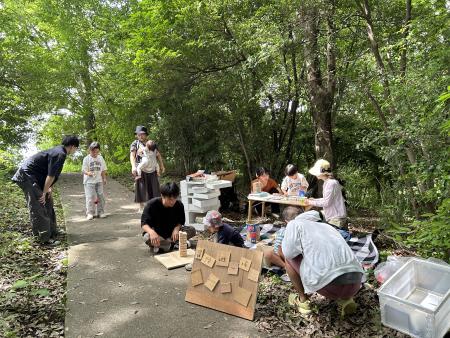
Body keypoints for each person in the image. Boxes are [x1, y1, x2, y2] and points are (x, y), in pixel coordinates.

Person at [282, 210, 364, 316]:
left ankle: (303, 300)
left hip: (329, 285)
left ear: (286, 221)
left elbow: (288, 253)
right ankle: (347, 300)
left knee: (288, 258)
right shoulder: (327, 226)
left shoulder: (294, 224)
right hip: (355, 282)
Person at [12, 135, 79, 245]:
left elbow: (50, 172)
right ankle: (43, 238)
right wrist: (43, 192)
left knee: (48, 200)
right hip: (27, 176)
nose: (76, 150)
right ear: (72, 146)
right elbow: (51, 175)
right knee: (39, 203)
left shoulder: (59, 152)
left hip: (36, 177)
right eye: (76, 148)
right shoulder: (60, 154)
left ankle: (52, 231)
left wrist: (48, 189)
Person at [141, 182, 195, 253]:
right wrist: (151, 232)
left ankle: (166, 246)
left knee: (192, 230)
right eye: (169, 199)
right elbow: (144, 224)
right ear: (162, 196)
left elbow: (180, 221)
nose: (172, 202)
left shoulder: (179, 205)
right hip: (158, 233)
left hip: (173, 233)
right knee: (147, 237)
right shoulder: (151, 204)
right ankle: (176, 244)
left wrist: (176, 229)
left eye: (174, 198)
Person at [130, 126, 165, 211]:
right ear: (136, 135)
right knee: (141, 187)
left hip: (152, 168)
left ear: (146, 135)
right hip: (141, 168)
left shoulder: (151, 143)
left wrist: (162, 166)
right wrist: (133, 166)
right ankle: (141, 207)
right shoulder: (135, 144)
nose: (141, 136)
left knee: (154, 187)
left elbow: (158, 154)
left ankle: (154, 206)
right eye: (139, 134)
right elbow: (132, 155)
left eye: (143, 134)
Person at [304, 159, 348, 228]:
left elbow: (326, 203)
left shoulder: (331, 183)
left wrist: (310, 202)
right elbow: (327, 199)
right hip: (334, 217)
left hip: (336, 219)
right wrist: (314, 200)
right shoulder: (328, 182)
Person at [262, 206, 301, 271]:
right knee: (268, 254)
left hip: (289, 254)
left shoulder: (297, 231)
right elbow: (279, 249)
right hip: (280, 254)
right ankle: (285, 266)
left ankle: (288, 265)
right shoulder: (283, 231)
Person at [82, 142, 107, 220]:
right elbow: (83, 170)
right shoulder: (86, 159)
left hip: (99, 180)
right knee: (90, 197)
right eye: (93, 151)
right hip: (89, 182)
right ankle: (90, 213)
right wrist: (88, 173)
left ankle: (101, 212)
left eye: (97, 151)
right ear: (90, 150)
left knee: (101, 196)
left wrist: (104, 178)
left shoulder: (100, 158)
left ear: (99, 151)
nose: (95, 153)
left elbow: (103, 170)